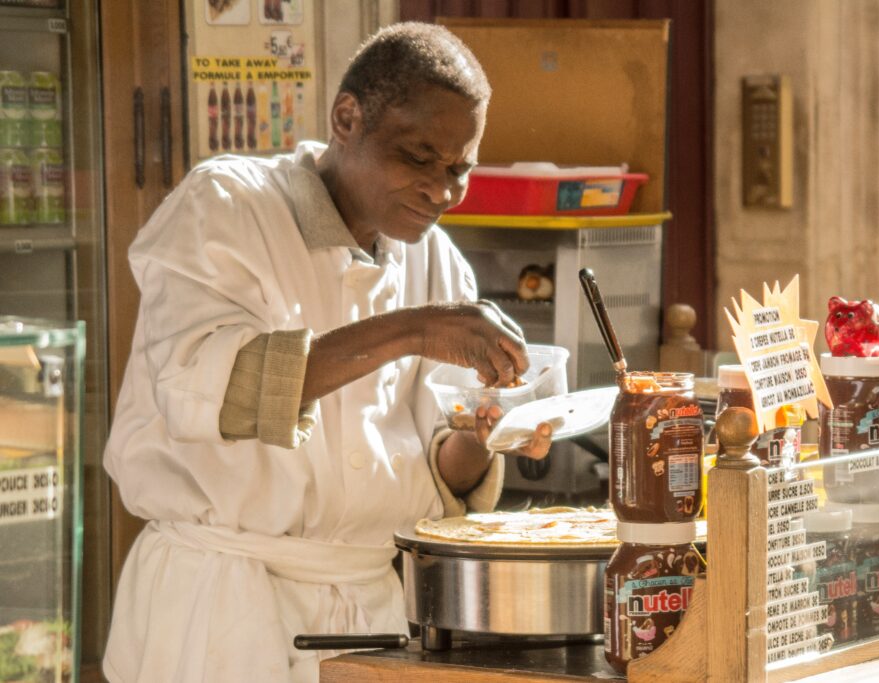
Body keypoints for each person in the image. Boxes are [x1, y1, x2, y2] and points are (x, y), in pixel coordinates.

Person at [102, 23, 552, 683]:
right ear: (348, 118)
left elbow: (439, 466)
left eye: (459, 168)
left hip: (368, 611)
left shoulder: (438, 263)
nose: (441, 188)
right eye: (419, 155)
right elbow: (218, 388)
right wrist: (414, 329)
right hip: (221, 605)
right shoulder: (225, 205)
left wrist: (487, 430)